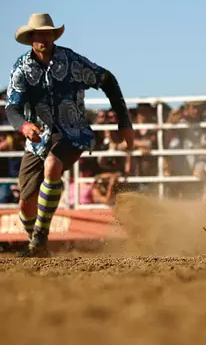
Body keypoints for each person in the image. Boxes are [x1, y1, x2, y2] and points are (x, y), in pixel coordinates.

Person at [6, 13, 134, 257]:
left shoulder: (72, 61)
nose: (43, 37)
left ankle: (38, 242)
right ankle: (38, 243)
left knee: (53, 165)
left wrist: (124, 122)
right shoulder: (21, 68)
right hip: (36, 138)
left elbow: (107, 79)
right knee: (25, 201)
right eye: (38, 33)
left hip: (72, 132)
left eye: (47, 32)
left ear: (53, 36)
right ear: (31, 38)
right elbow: (12, 107)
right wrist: (23, 126)